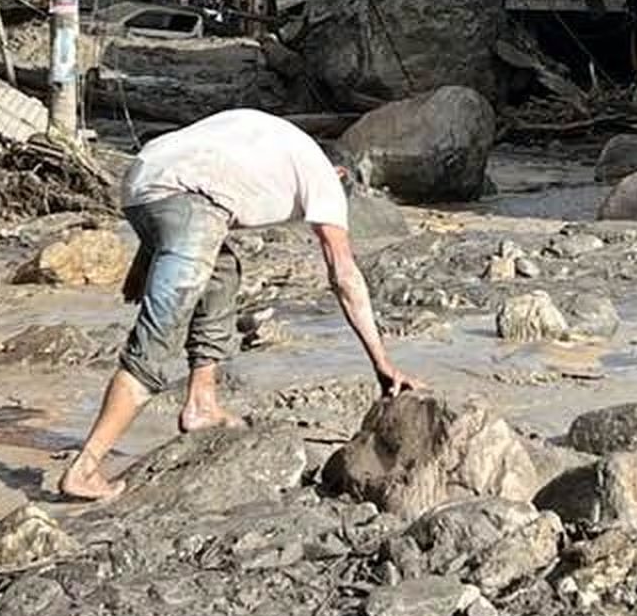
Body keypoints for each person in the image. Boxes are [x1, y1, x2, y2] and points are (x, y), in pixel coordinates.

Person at [60, 108, 416, 502]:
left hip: (140, 181)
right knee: (155, 345)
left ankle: (202, 403)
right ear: (341, 174)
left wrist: (147, 258)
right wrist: (382, 362)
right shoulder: (323, 174)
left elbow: (184, 176)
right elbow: (344, 276)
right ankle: (85, 468)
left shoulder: (274, 143)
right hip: (191, 199)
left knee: (223, 274)